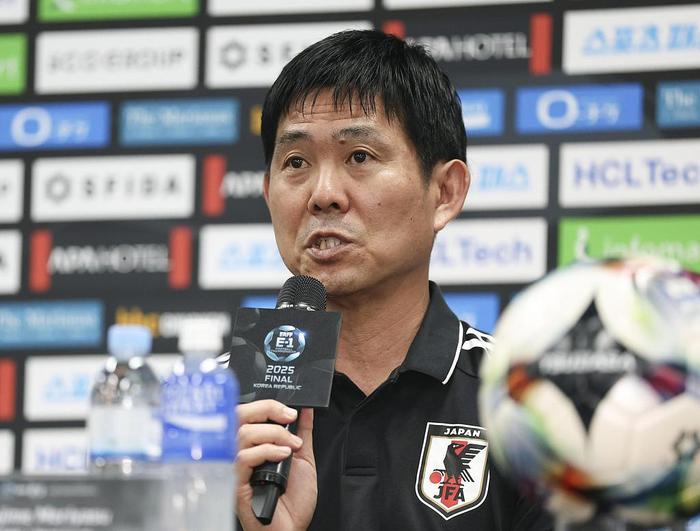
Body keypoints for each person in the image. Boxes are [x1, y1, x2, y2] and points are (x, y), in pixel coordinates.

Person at [233, 29, 553, 531]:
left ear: (445, 192)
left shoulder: (526, 404)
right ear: (269, 192)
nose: (323, 194)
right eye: (296, 163)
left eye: (359, 156)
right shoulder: (213, 408)